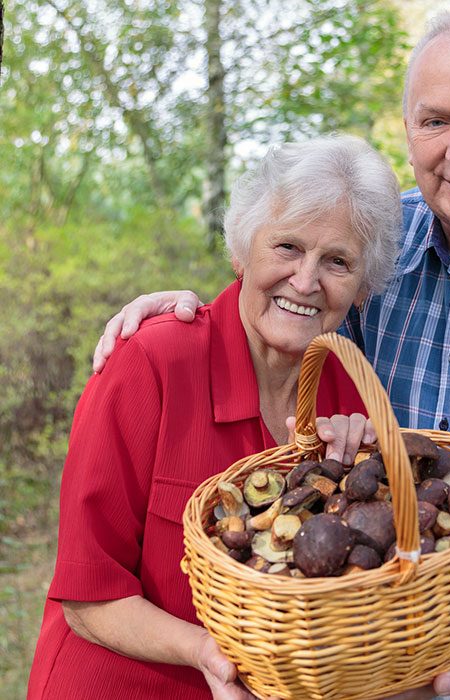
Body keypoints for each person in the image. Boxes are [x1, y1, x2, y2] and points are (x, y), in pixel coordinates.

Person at [90, 6, 450, 700]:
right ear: (409, 132)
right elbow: (289, 314)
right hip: (386, 630)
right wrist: (180, 314)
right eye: (434, 121)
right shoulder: (376, 246)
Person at [27, 134, 406, 700]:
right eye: (286, 248)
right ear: (240, 250)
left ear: (361, 290)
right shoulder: (152, 363)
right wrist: (208, 653)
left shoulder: (348, 393)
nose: (305, 281)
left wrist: (353, 490)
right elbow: (88, 595)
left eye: (337, 261)